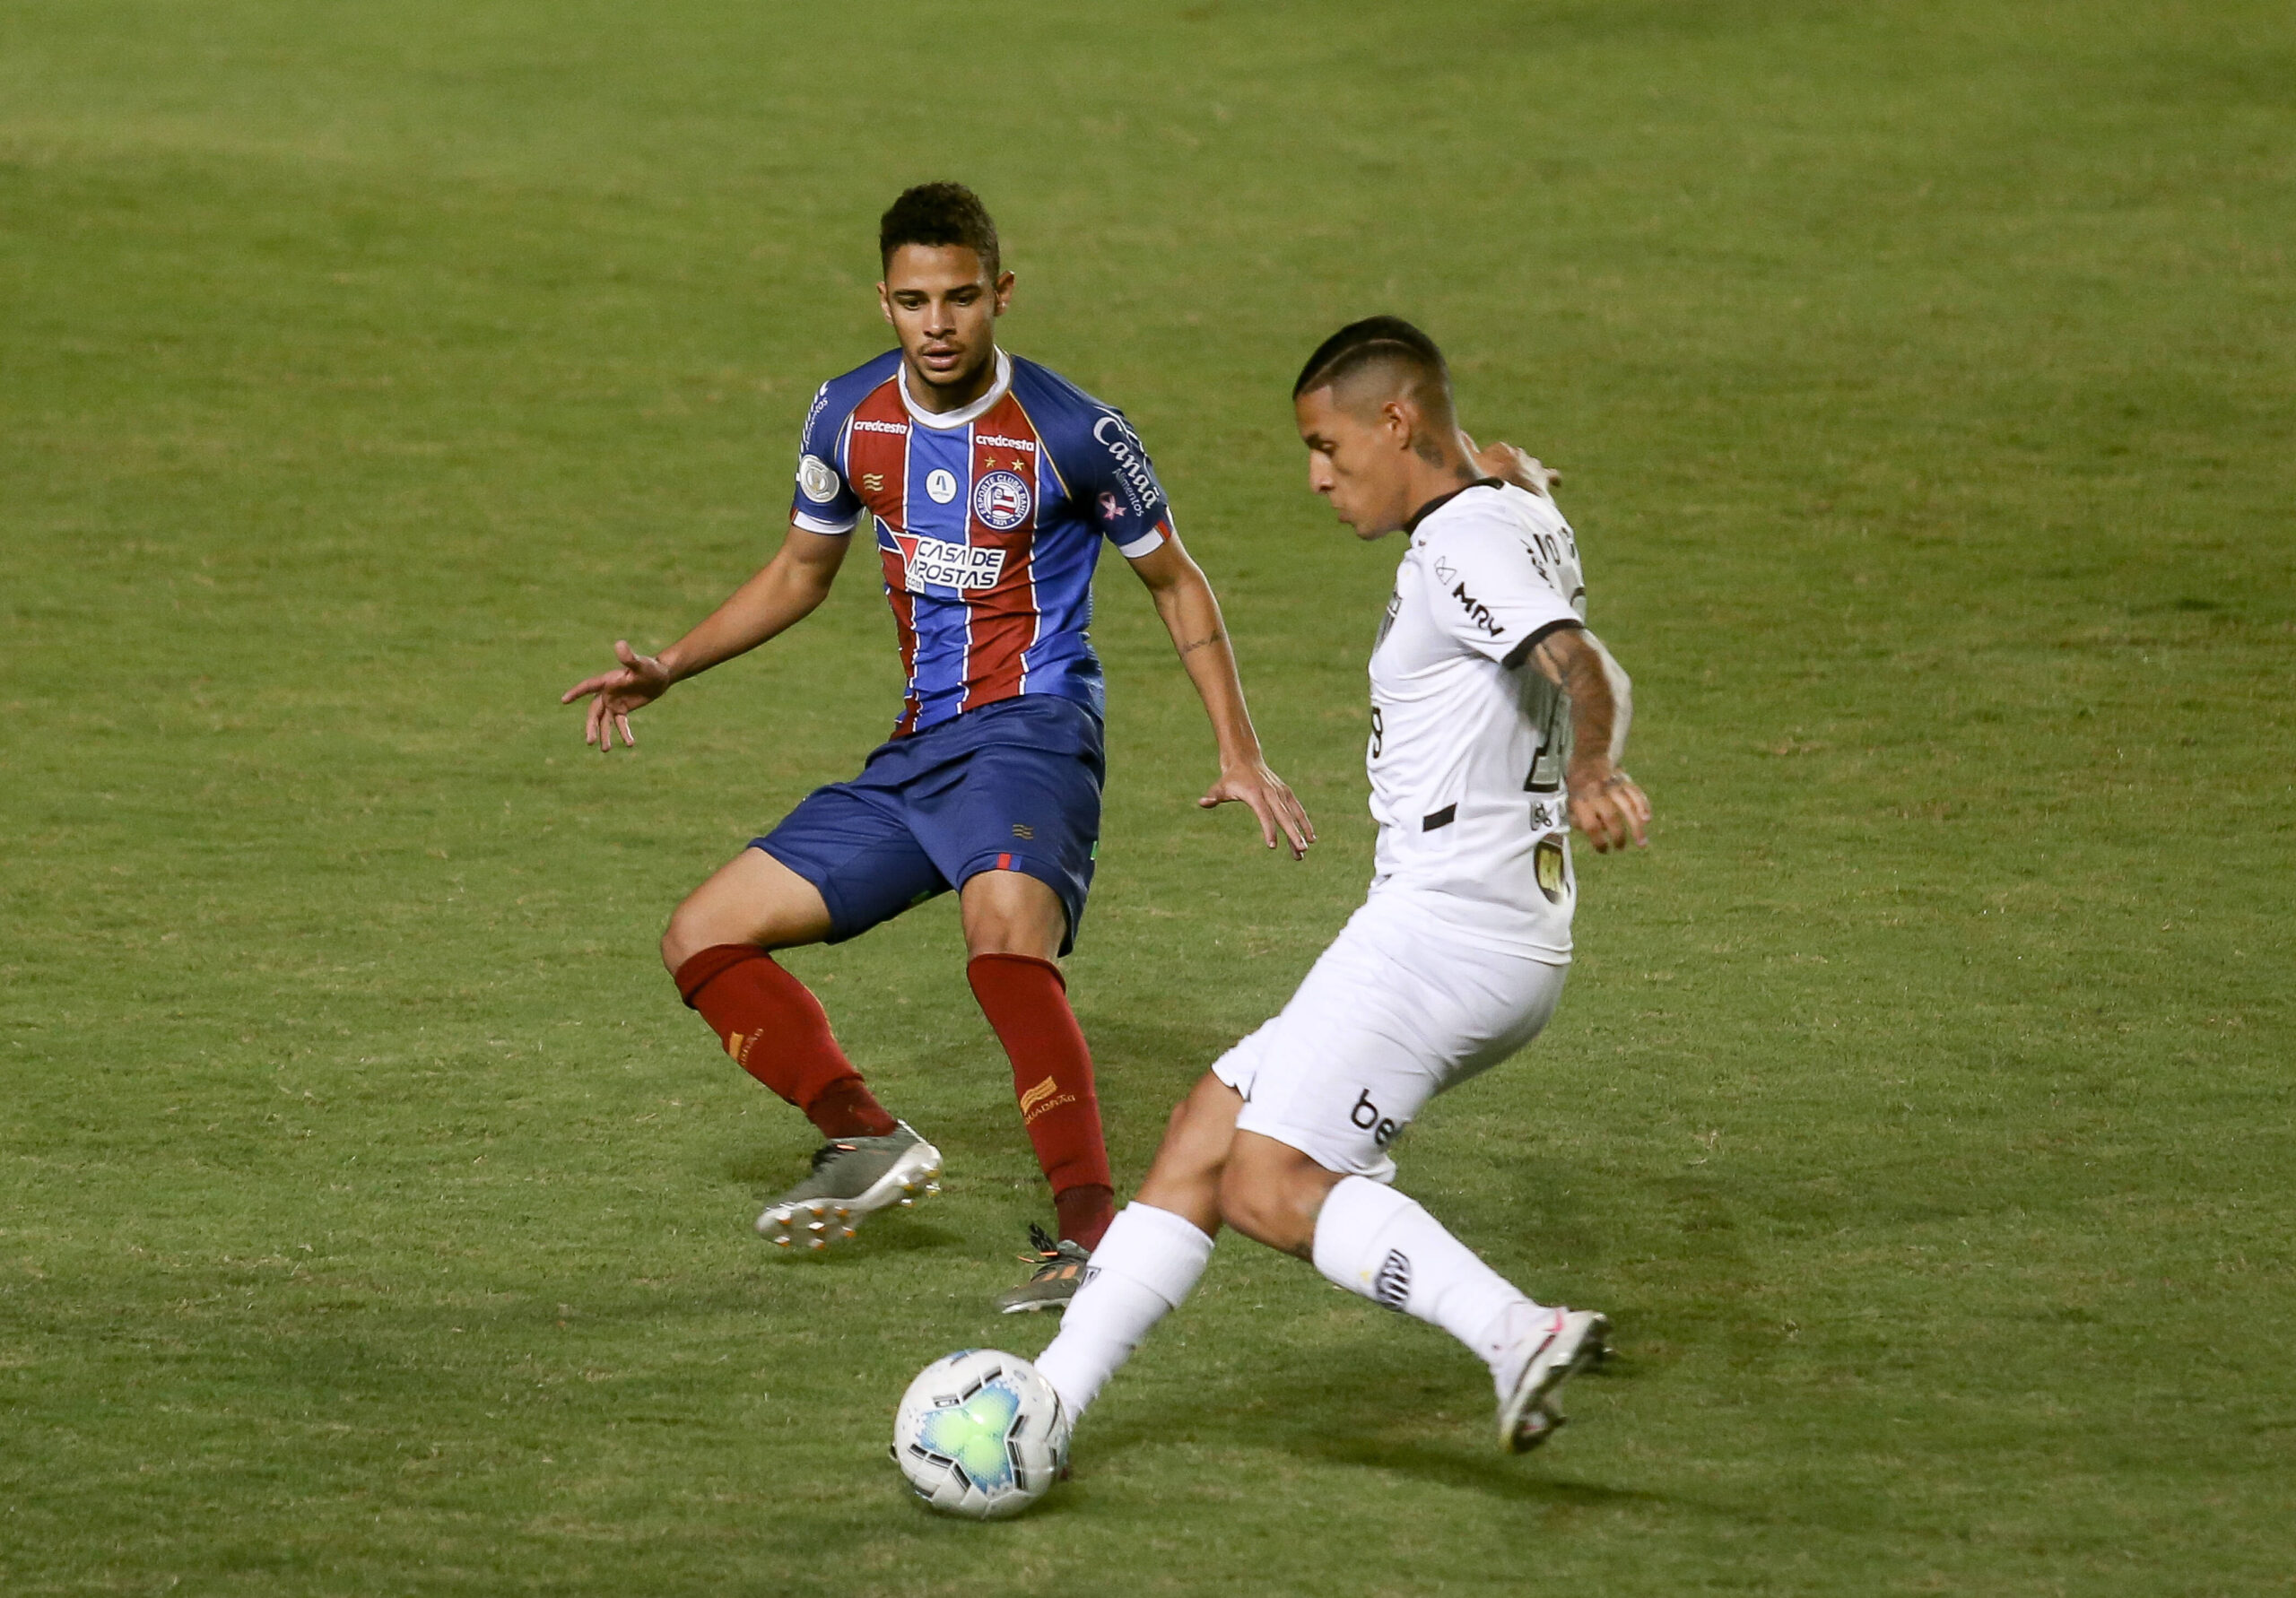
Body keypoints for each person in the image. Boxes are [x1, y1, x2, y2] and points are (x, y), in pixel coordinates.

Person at [561, 183, 1313, 1312]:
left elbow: (1175, 579)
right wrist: (672, 665)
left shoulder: (1074, 432)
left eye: (961, 297)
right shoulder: (848, 415)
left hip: (1034, 733)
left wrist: (1238, 749)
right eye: (913, 301)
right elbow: (798, 573)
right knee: (702, 936)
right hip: (917, 755)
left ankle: (1095, 1234)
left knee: (1001, 936)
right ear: (884, 301)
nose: (938, 324)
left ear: (999, 293)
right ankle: (864, 1139)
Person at [1032, 316, 1652, 1454]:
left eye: (1328, 446)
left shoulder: (1464, 543)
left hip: (1445, 932)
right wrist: (1514, 469)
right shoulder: (1511, 510)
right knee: (1203, 1136)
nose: (1318, 478)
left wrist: (1597, 764)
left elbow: (1583, 662)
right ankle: (1048, 1401)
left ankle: (1517, 1332)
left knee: (1268, 1183)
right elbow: (1514, 475)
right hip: (1493, 926)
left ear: (1396, 421)